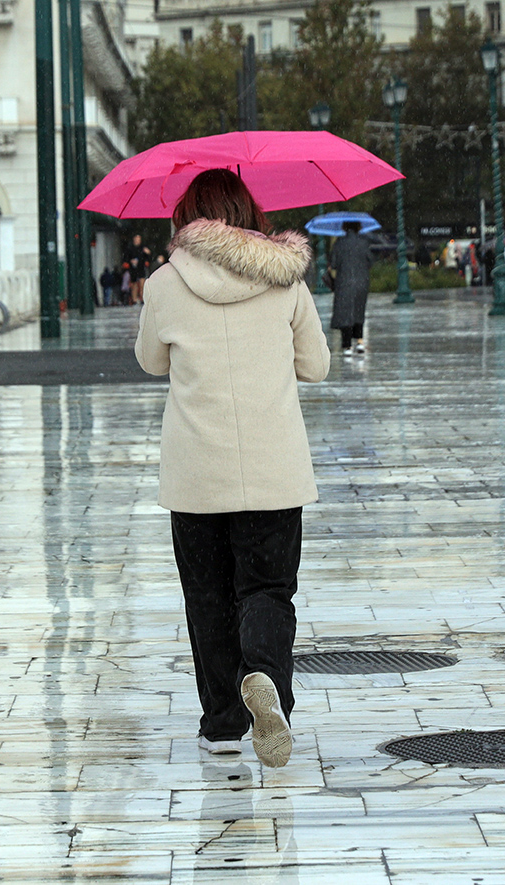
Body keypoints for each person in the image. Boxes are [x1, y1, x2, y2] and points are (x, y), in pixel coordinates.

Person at [134, 168, 330, 768]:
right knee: (268, 589)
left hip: (196, 473)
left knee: (207, 597)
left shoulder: (165, 283)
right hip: (273, 468)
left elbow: (148, 361)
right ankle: (266, 677)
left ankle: (221, 724)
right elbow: (317, 366)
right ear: (250, 211)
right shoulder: (286, 282)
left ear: (188, 217)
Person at [330, 221, 374, 355]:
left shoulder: (339, 243)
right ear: (359, 227)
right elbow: (370, 261)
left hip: (344, 282)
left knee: (345, 313)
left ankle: (347, 345)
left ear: (344, 227)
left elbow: (334, 263)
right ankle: (360, 342)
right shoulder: (364, 242)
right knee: (358, 311)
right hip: (361, 282)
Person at [125, 234, 152, 304]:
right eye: (137, 239)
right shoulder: (130, 248)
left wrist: (148, 253)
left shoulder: (143, 248)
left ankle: (142, 298)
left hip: (141, 267)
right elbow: (126, 258)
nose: (138, 240)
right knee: (134, 284)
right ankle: (134, 299)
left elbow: (148, 258)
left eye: (139, 239)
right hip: (133, 268)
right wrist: (131, 261)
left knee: (142, 283)